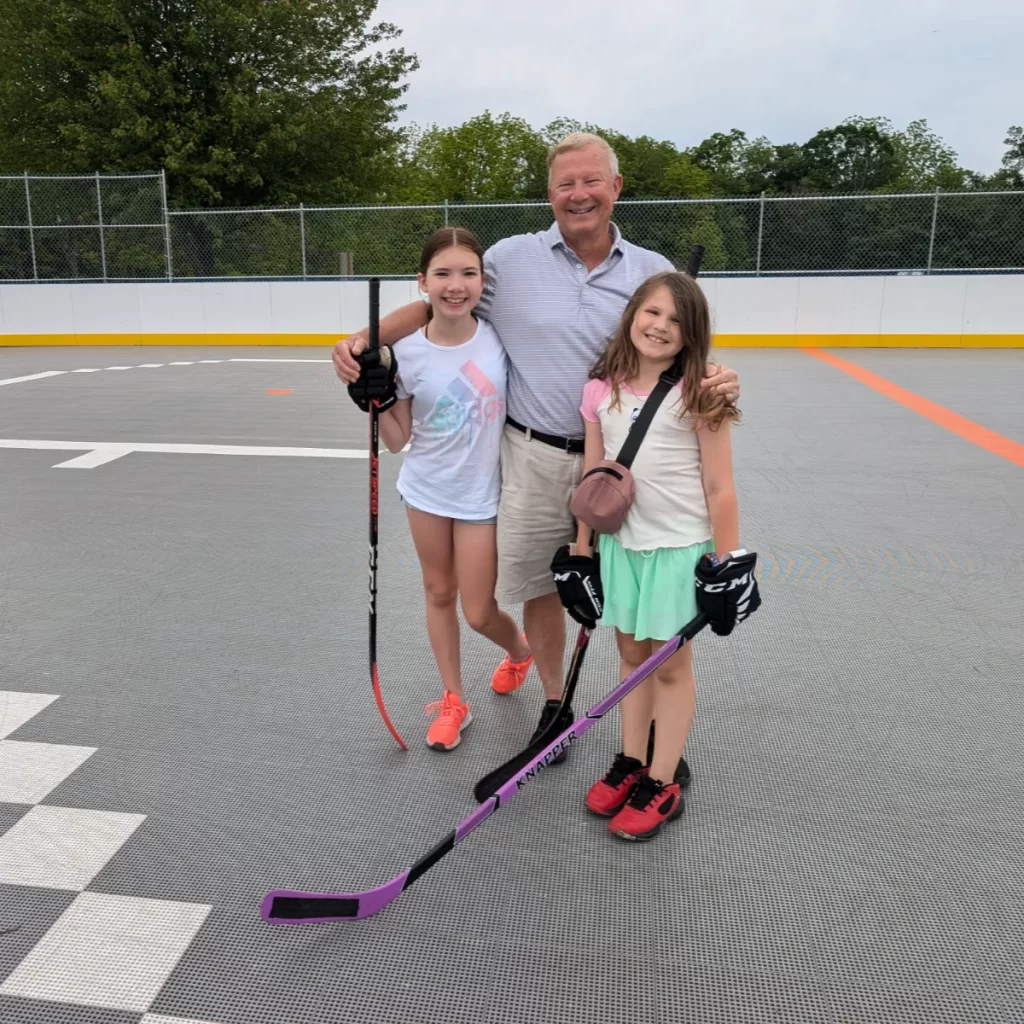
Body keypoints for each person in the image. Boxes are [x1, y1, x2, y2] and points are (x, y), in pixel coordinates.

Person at [337, 132, 741, 757]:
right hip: (531, 454)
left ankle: (654, 739)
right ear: (549, 193)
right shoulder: (507, 259)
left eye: (591, 181)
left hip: (628, 462)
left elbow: (682, 343)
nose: (578, 195)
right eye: (564, 184)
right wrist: (364, 343)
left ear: (616, 188)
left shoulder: (651, 271)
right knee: (542, 585)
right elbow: (441, 301)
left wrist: (716, 374)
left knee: (635, 595)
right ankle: (556, 701)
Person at [566, 270, 742, 841]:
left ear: (692, 335)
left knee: (669, 666)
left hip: (677, 551)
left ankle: (662, 780)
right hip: (622, 549)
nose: (661, 326)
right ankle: (631, 760)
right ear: (631, 314)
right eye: (653, 312)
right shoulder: (600, 390)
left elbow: (720, 489)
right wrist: (582, 552)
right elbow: (595, 479)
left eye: (676, 320)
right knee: (630, 656)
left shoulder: (701, 394)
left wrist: (726, 564)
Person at [364, 227, 534, 751]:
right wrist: (374, 400)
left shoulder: (499, 337)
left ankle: (521, 651)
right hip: (426, 489)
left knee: (479, 610)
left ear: (483, 281)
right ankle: (454, 699)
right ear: (422, 282)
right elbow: (398, 441)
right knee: (439, 592)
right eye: (442, 274)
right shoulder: (408, 353)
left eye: (467, 273)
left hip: (482, 494)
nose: (455, 286)